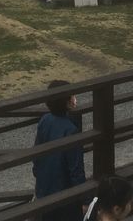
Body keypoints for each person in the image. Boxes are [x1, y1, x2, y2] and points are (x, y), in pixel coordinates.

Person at [33, 79, 86, 221]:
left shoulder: (45, 120)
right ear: (68, 102)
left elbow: (36, 154)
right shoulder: (71, 130)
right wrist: (84, 198)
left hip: (44, 189)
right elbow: (76, 169)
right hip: (64, 196)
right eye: (73, 96)